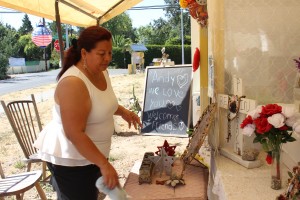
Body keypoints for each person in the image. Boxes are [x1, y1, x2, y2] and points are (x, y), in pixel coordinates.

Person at [34, 26, 141, 200]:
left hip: (92, 158)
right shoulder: (73, 83)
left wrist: (123, 112)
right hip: (72, 160)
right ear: (84, 53)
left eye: (110, 53)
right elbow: (74, 133)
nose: (107, 58)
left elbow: (102, 102)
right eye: (101, 53)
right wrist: (105, 164)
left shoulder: (101, 71)